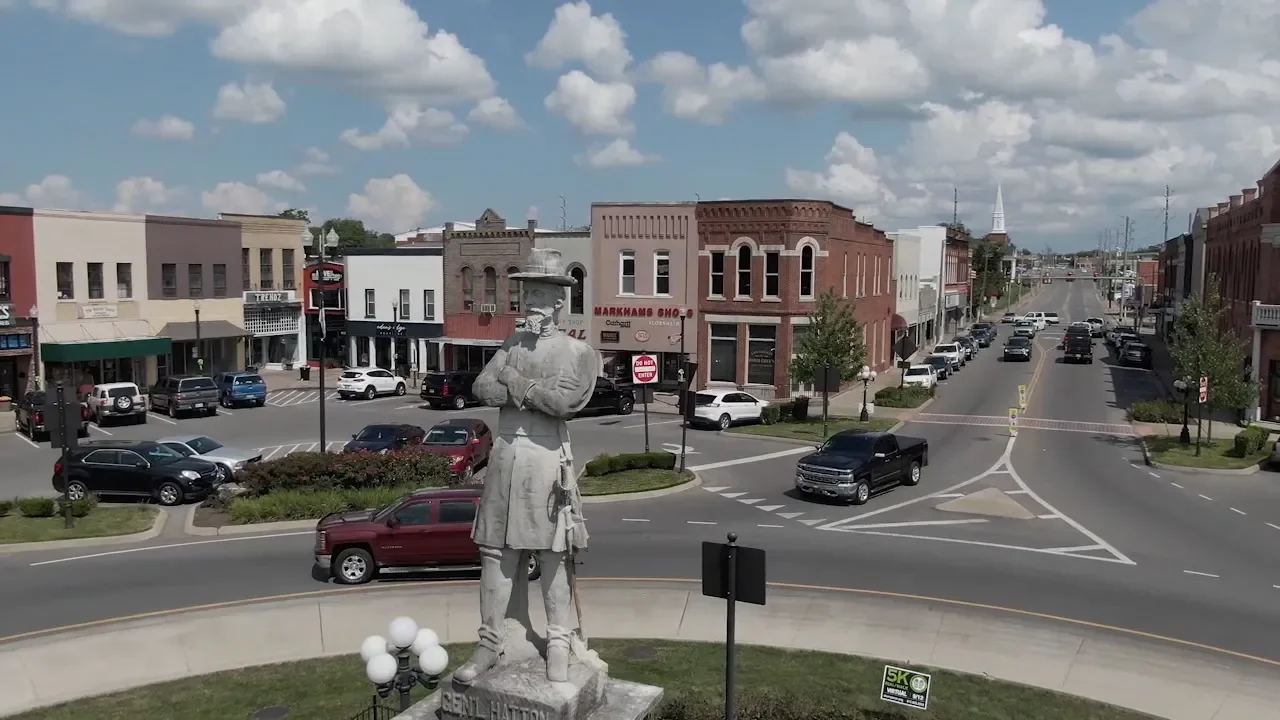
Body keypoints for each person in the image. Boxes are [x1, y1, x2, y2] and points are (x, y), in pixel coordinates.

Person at [454, 248, 599, 685]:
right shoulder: (512, 343)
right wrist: (532, 390)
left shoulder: (579, 353)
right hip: (505, 458)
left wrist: (514, 381)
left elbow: (563, 404)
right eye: (526, 292)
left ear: (559, 300)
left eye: (539, 293)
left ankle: (558, 639)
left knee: (552, 554)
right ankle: (489, 641)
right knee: (495, 552)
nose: (530, 301)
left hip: (545, 460)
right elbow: (481, 386)